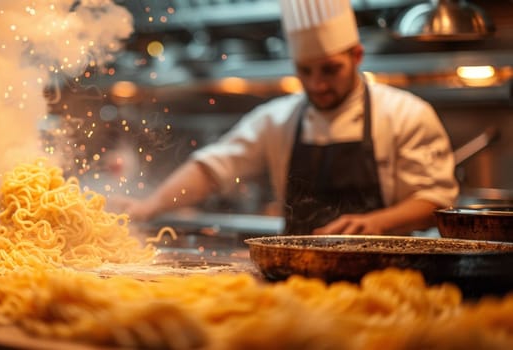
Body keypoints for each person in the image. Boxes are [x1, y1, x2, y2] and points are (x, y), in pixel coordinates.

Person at [115, 0, 459, 235]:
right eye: (305, 72)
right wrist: (150, 206)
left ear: (357, 56)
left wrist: (377, 223)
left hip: (390, 276)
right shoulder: (278, 119)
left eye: (330, 69)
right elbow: (212, 167)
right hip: (297, 275)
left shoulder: (406, 114)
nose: (317, 84)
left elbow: (436, 200)